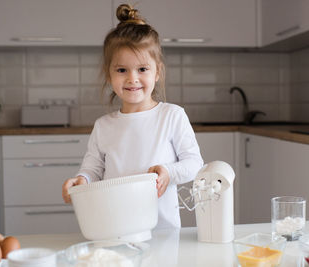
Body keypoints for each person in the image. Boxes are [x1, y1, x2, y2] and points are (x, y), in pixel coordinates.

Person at [62, 4, 204, 229]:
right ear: (109, 74)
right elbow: (93, 169)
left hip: (162, 232)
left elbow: (195, 164)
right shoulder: (103, 126)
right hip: (114, 230)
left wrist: (169, 171)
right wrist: (82, 180)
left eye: (142, 69)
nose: (132, 78)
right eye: (121, 70)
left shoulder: (172, 116)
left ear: (157, 72)